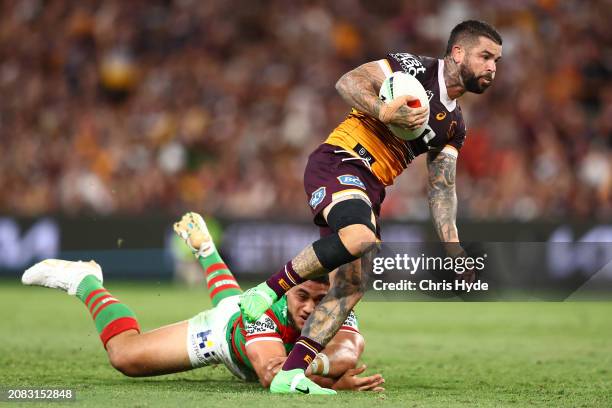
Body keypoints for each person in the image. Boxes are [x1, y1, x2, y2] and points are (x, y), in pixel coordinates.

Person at [239, 20, 503, 394]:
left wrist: (453, 248)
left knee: (352, 283)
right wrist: (384, 111)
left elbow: (441, 189)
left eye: (497, 61)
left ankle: (289, 375)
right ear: (458, 53)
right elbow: (348, 82)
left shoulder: (455, 125)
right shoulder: (413, 68)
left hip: (372, 186)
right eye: (486, 56)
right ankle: (266, 291)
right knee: (361, 239)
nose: (493, 67)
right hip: (341, 160)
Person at [21, 212, 384, 393]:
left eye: (321, 302)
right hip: (223, 338)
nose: (309, 308)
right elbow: (272, 372)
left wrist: (329, 367)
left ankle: (206, 250)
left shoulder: (338, 310)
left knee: (235, 301)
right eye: (301, 295)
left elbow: (349, 351)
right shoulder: (264, 311)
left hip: (240, 310)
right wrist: (330, 379)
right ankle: (85, 280)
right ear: (286, 290)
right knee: (125, 357)